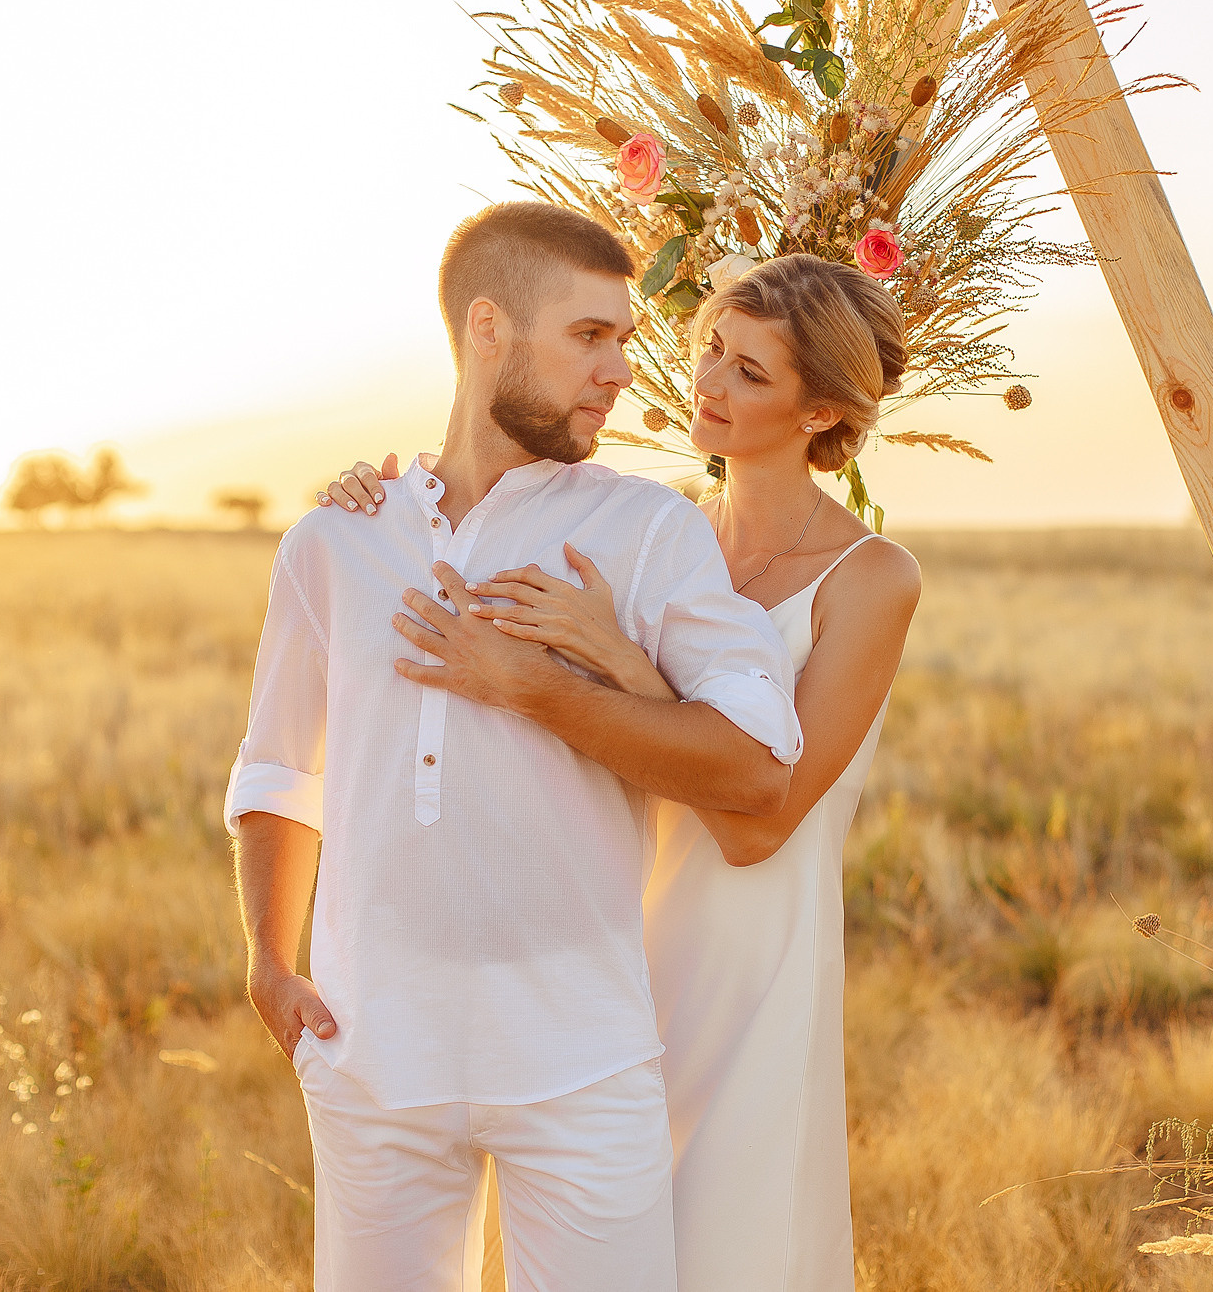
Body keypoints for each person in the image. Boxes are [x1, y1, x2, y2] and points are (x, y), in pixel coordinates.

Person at [227, 201, 807, 1292]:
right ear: (487, 327)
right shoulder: (335, 538)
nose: (622, 370)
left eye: (626, 340)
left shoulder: (647, 531)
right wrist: (267, 960)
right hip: (371, 1055)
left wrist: (538, 689)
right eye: (590, 336)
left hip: (580, 1064)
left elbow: (754, 767)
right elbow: (278, 767)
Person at [321, 252, 923, 1292]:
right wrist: (365, 499)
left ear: (820, 410)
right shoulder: (655, 526)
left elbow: (754, 823)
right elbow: (468, 504)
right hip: (612, 937)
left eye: (748, 373)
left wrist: (620, 660)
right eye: (709, 354)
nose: (708, 387)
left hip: (749, 954)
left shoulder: (869, 577)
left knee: (727, 1245)